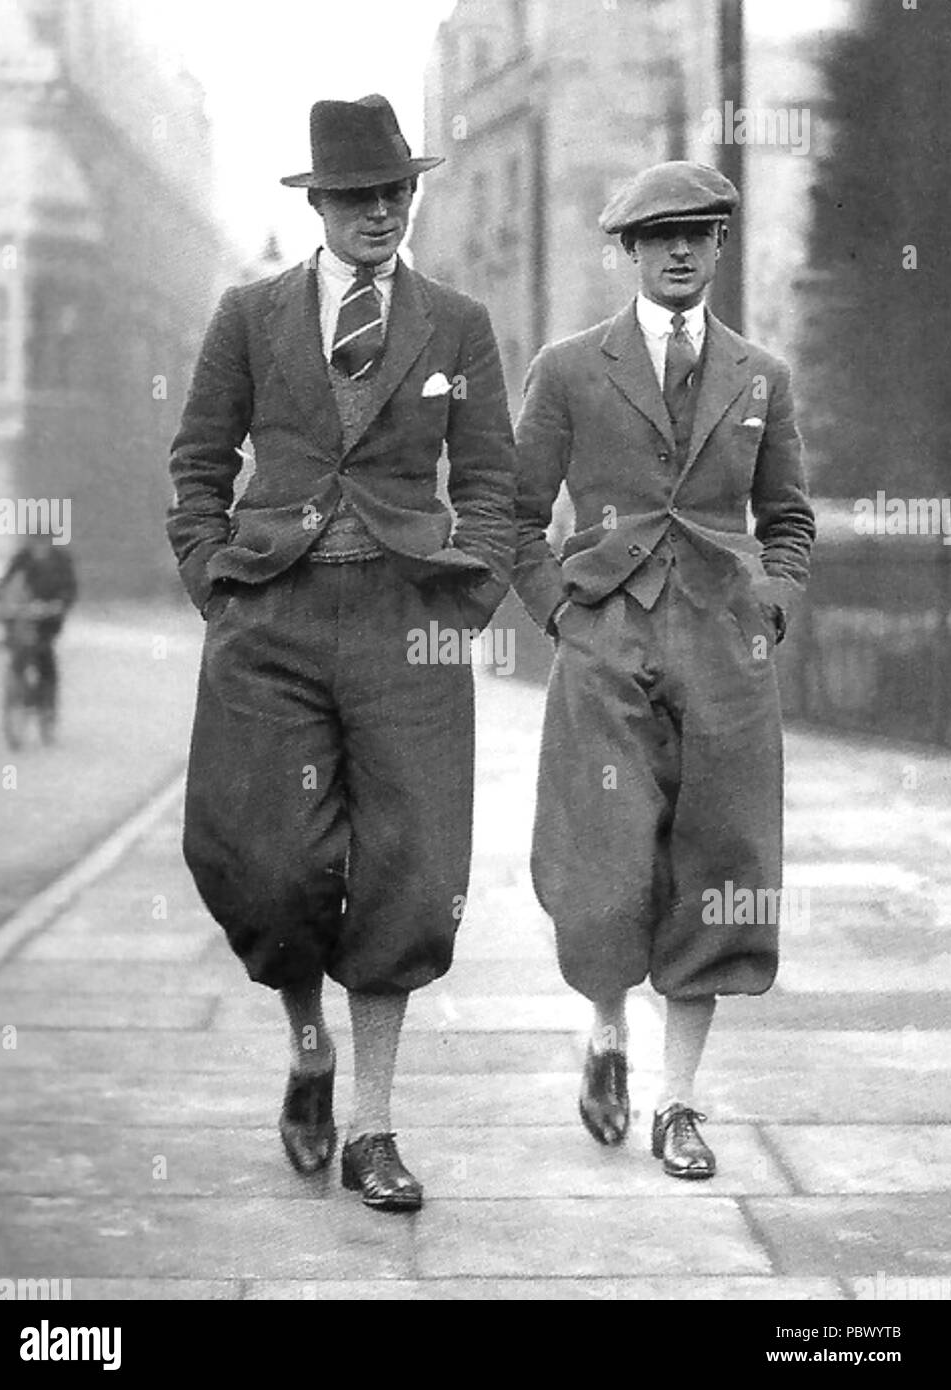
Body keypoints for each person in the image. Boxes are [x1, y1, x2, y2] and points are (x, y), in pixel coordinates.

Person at [167, 94, 515, 1211]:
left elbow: (497, 487)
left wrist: (471, 597)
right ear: (318, 202)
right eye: (358, 195)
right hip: (272, 618)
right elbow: (198, 466)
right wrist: (217, 588)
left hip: (407, 625)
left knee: (412, 875)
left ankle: (374, 1122)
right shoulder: (250, 314)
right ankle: (306, 1042)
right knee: (267, 864)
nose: (380, 213)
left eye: (396, 193)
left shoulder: (456, 324)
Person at [513, 161, 815, 1179]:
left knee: (721, 869)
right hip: (606, 647)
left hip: (726, 656)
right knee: (601, 866)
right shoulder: (567, 370)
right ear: (629, 251)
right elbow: (514, 514)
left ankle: (677, 1102)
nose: (681, 250)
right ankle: (605, 1034)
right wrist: (558, 610)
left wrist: (770, 602)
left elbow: (790, 519)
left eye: (700, 233)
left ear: (721, 246)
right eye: (659, 236)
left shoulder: (761, 376)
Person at [0, 534, 78, 712]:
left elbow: (70, 587)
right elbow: (6, 581)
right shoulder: (22, 558)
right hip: (22, 614)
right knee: (18, 650)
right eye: (35, 540)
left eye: (43, 540)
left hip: (49, 616)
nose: (39, 544)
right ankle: (17, 688)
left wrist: (59, 604)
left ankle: (48, 704)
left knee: (44, 655)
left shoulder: (61, 560)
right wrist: (0, 602)